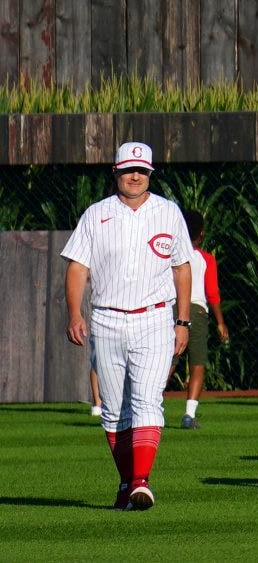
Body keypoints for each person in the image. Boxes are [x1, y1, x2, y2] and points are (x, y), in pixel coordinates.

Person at [62, 141, 193, 511]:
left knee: (148, 400)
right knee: (114, 410)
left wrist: (182, 321)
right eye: (127, 170)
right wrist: (75, 313)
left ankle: (140, 481)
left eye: (142, 171)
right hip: (106, 316)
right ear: (115, 172)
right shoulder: (96, 214)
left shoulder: (168, 212)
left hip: (154, 316)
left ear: (150, 174)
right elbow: (77, 267)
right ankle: (125, 481)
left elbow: (182, 267)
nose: (134, 176)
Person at [177, 207, 229, 430]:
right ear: (201, 234)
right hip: (197, 311)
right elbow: (213, 292)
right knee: (197, 362)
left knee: (168, 360)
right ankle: (189, 414)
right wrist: (220, 321)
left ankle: (148, 405)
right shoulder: (206, 258)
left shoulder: (172, 255)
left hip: (173, 309)